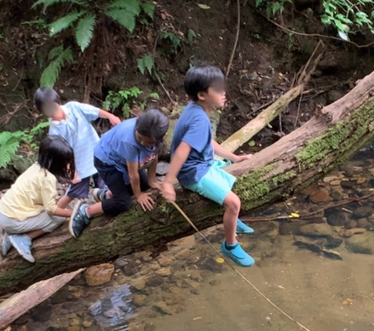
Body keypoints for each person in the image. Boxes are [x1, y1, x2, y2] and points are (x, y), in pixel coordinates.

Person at [160, 66, 255, 267]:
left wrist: (234, 157)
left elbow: (208, 142)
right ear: (202, 94)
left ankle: (232, 221)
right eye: (218, 89)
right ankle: (230, 246)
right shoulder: (199, 119)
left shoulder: (197, 110)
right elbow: (182, 151)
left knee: (231, 172)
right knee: (234, 203)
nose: (224, 93)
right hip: (194, 172)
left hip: (202, 162)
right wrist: (168, 182)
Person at [69, 108, 170, 238]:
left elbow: (153, 156)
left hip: (122, 160)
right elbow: (133, 175)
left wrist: (152, 181)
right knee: (124, 203)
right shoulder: (129, 141)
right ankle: (86, 210)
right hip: (106, 162)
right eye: (140, 138)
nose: (143, 143)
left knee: (147, 187)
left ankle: (107, 193)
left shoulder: (153, 136)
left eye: (148, 142)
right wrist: (138, 195)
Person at [33, 86, 122, 206]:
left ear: (58, 102)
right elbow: (62, 155)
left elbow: (94, 111)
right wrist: (71, 173)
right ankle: (55, 212)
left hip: (97, 154)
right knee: (74, 192)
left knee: (107, 184)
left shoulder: (74, 108)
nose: (52, 113)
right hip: (79, 164)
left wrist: (111, 117)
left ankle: (104, 201)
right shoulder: (54, 132)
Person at [0, 135, 76, 263]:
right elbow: (51, 210)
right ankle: (24, 237)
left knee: (55, 211)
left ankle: (10, 234)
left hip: (4, 212)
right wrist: (73, 214)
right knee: (59, 218)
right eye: (66, 162)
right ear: (56, 162)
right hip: (12, 220)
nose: (68, 165)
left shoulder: (37, 166)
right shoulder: (48, 178)